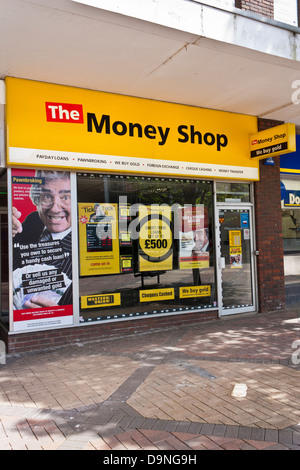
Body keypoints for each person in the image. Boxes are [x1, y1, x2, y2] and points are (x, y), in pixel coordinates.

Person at [12, 170, 72, 309]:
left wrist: (61, 311)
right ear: (37, 199)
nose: (55, 208)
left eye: (65, 197)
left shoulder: (85, 244)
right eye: (47, 196)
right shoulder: (33, 221)